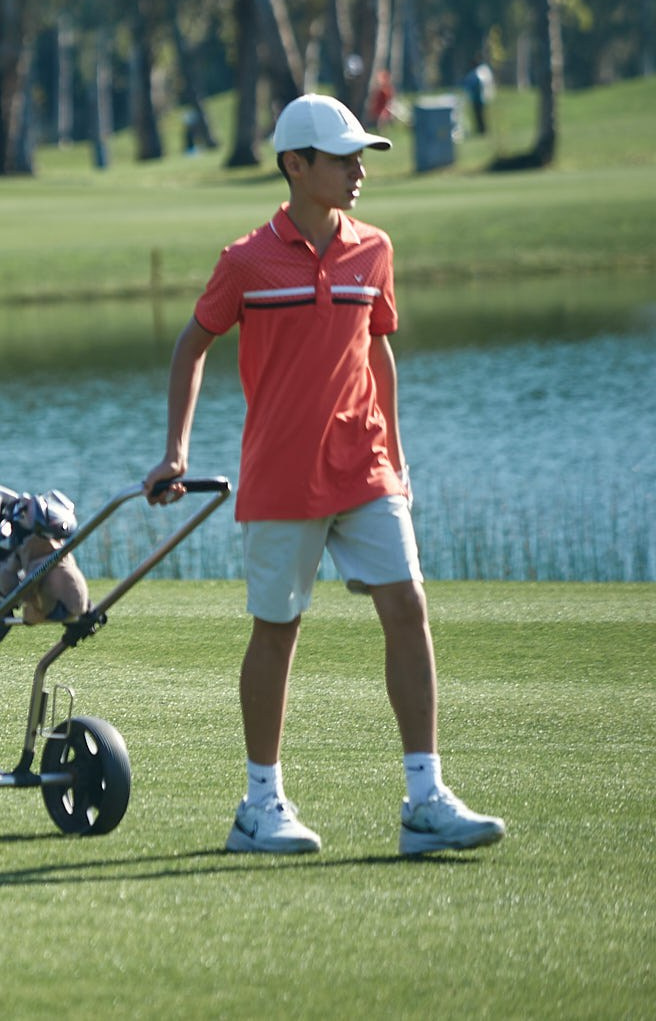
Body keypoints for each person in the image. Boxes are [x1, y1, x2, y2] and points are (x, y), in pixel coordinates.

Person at [143, 94, 505, 857]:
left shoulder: (374, 250)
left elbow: (378, 350)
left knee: (408, 605)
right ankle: (259, 805)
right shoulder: (246, 260)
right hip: (281, 475)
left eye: (360, 158)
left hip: (365, 466)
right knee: (278, 630)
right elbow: (191, 345)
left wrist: (396, 458)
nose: (358, 171)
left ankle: (424, 800)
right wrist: (176, 450)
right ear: (295, 165)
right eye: (343, 159)